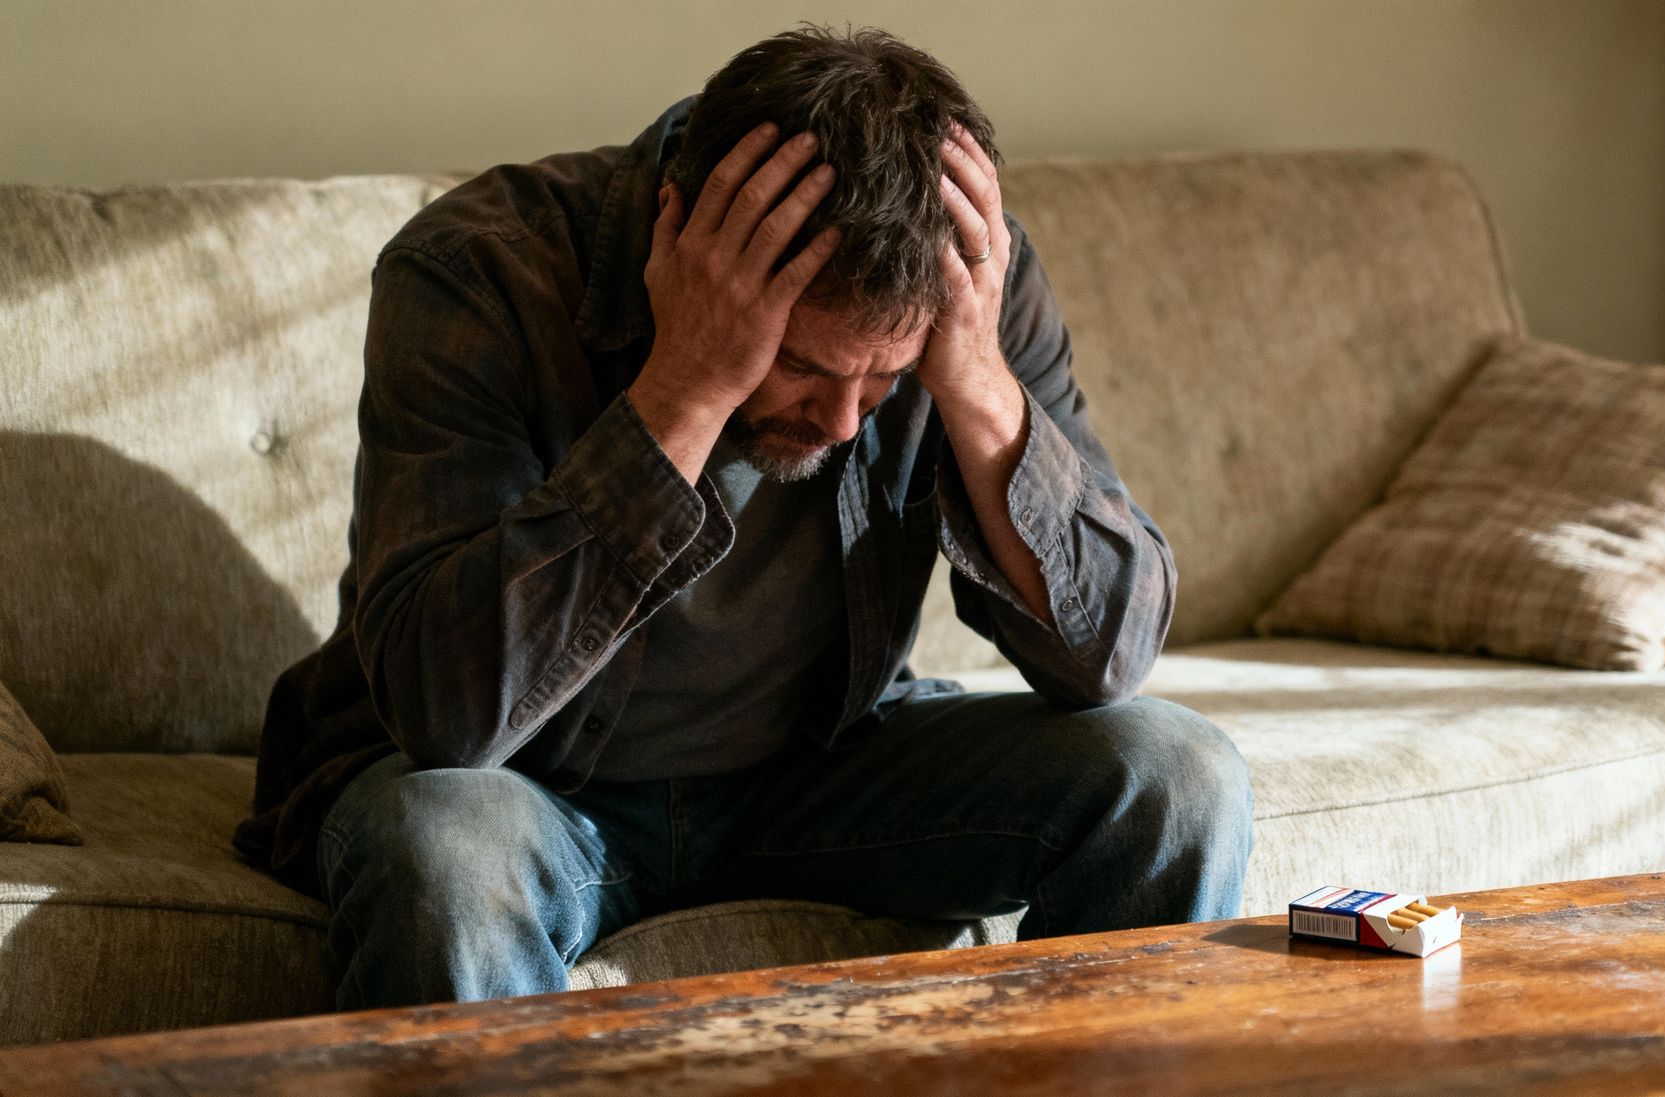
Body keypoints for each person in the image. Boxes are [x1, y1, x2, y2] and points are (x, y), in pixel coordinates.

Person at [236, 25, 1252, 1011]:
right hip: (529, 788)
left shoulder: (972, 277)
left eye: (887, 378)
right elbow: (446, 712)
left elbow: (1110, 654)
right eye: (805, 364)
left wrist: (976, 385)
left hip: (816, 773)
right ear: (685, 235)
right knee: (442, 847)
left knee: (1177, 776)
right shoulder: (482, 269)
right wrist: (686, 385)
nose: (846, 419)